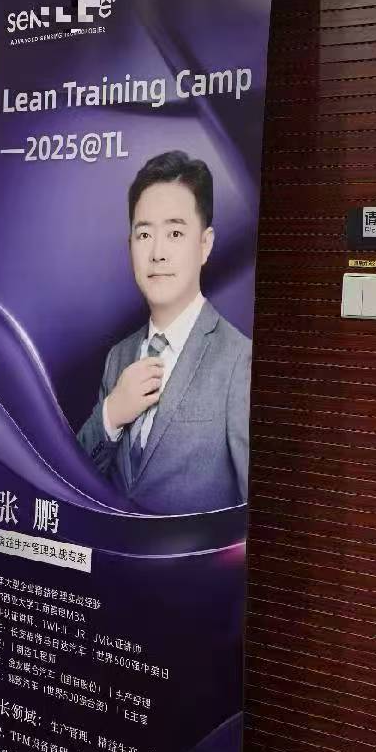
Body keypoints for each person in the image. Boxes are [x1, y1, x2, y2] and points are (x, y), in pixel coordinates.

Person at [77, 151, 251, 514]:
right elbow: (76, 484)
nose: (157, 253)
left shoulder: (241, 361)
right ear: (130, 246)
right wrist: (111, 414)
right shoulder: (118, 357)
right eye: (144, 234)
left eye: (174, 233)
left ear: (205, 244)